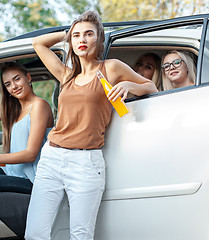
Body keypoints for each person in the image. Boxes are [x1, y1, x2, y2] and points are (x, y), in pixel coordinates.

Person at [25, 11, 158, 240]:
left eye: (88, 34)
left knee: (81, 235)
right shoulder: (66, 76)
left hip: (86, 163)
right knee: (35, 233)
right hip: (52, 159)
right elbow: (38, 43)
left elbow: (151, 88)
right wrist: (66, 35)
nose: (82, 40)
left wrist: (128, 84)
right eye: (77, 36)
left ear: (100, 39)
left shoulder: (111, 68)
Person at [0, 62, 54, 229]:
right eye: (8, 84)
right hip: (12, 172)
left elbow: (31, 154)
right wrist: (6, 93)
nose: (14, 86)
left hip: (32, 179)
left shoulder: (39, 106)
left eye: (17, 79)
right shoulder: (15, 112)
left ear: (28, 78)